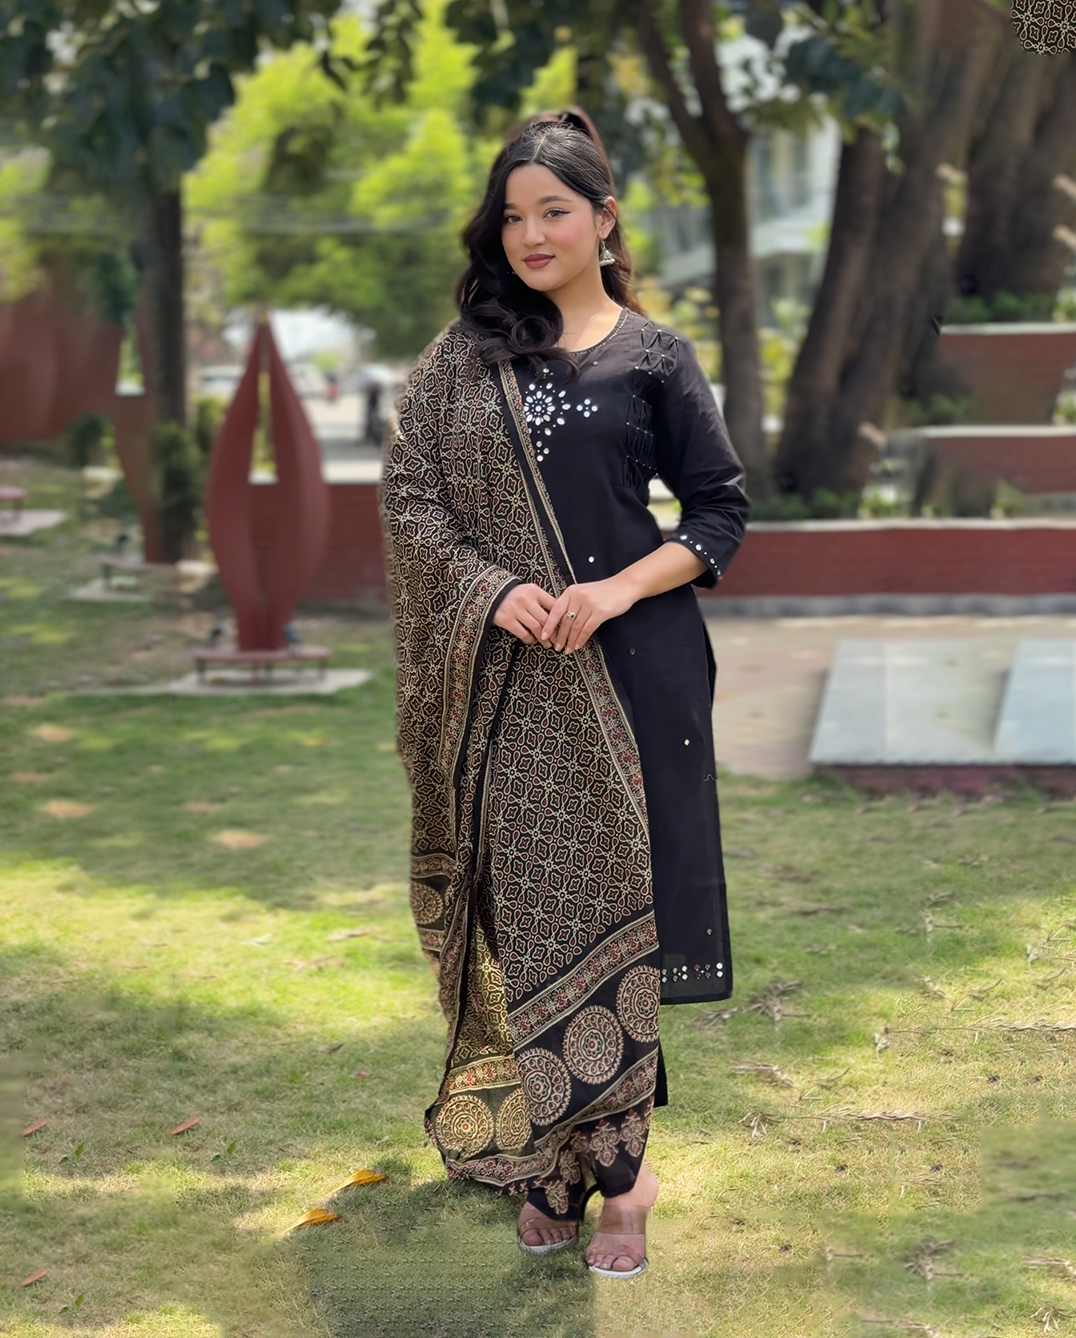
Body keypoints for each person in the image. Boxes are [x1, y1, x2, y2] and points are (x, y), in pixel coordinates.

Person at [379, 108, 748, 1279]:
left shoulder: (651, 355)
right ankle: (545, 1161)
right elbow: (410, 499)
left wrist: (609, 591)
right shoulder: (463, 357)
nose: (530, 233)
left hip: (632, 670)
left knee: (624, 919)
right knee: (527, 912)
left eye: (554, 211)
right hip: (507, 682)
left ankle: (624, 1184)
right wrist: (490, 589)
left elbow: (717, 515)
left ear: (602, 219)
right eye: (513, 213)